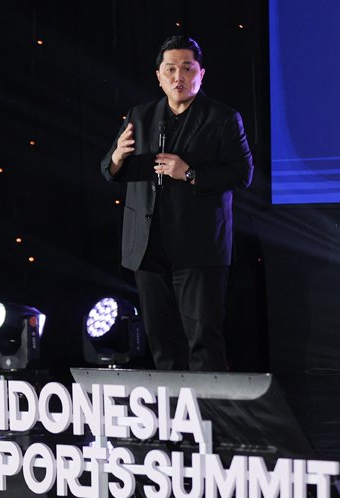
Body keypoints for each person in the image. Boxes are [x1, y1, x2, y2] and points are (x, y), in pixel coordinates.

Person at [100, 36, 254, 371]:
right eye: (170, 69)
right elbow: (109, 170)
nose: (178, 77)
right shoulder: (141, 116)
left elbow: (242, 174)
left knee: (203, 339)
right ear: (159, 76)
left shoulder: (223, 118)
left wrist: (190, 173)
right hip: (148, 245)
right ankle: (172, 404)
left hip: (198, 246)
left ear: (201, 74)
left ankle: (209, 404)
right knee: (161, 339)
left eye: (187, 68)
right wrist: (117, 158)